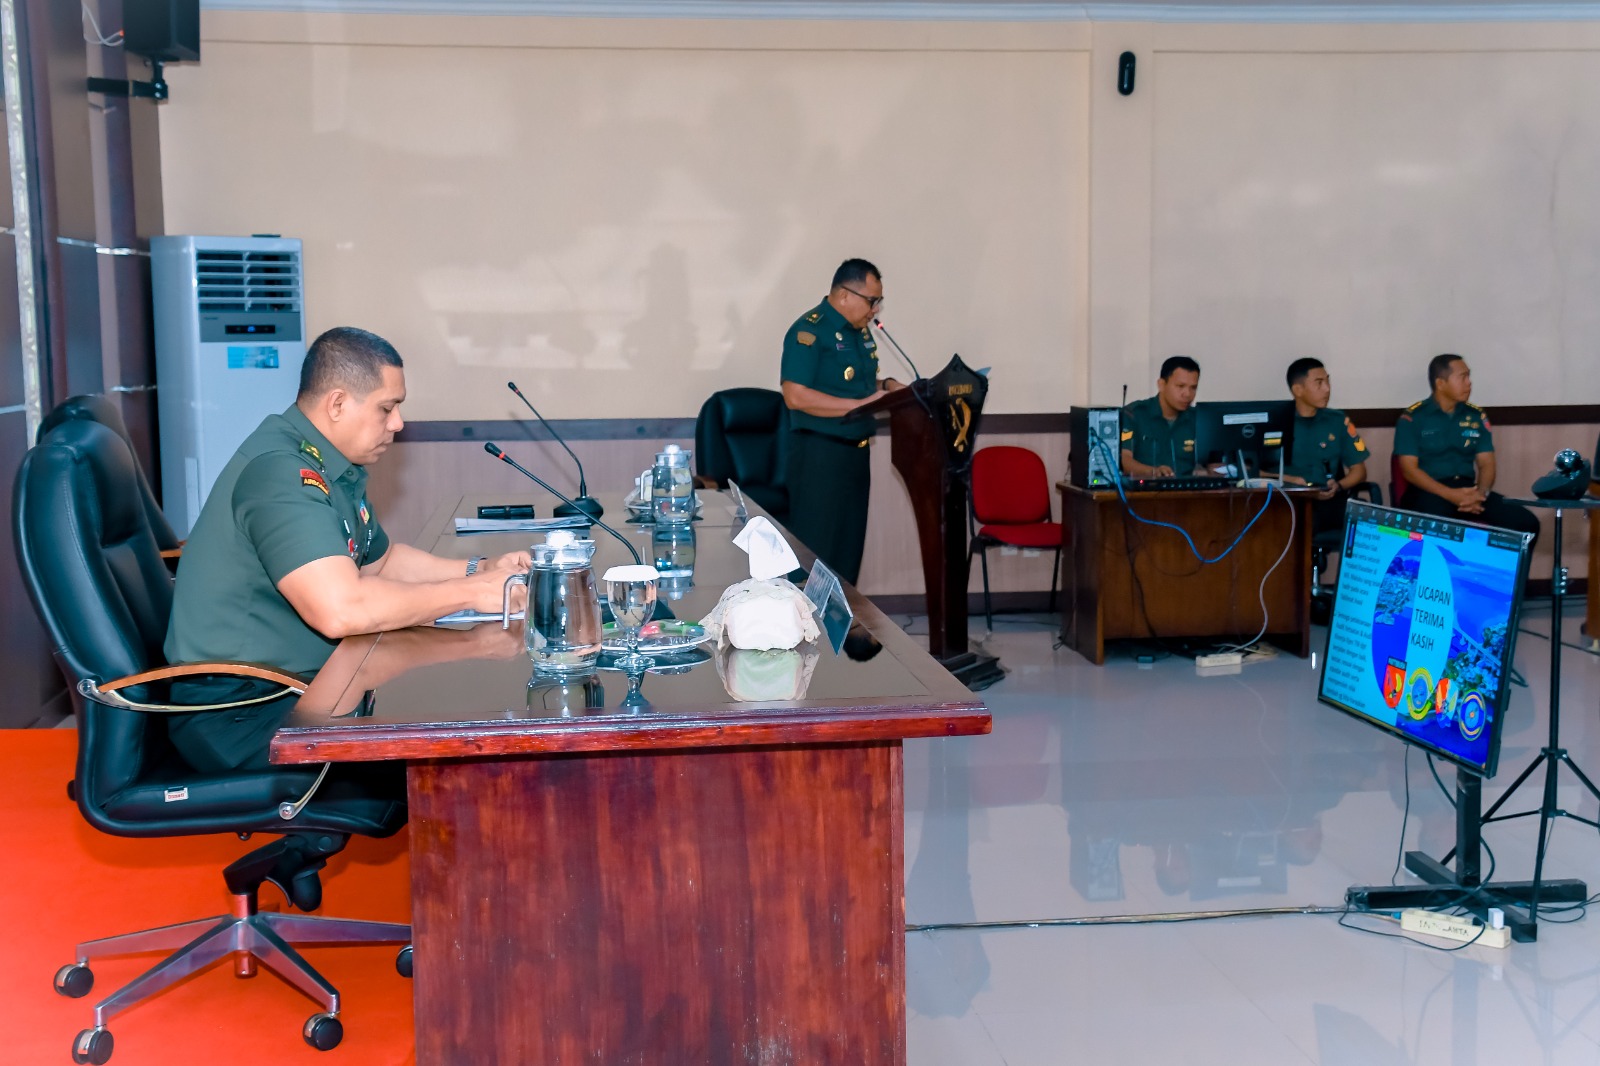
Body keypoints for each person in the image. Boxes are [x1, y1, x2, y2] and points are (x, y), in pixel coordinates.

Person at [164, 326, 529, 772]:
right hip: (243, 711)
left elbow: (382, 562)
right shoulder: (282, 474)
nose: (398, 423)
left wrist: (481, 570)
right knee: (455, 756)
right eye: (386, 408)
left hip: (306, 684)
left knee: (450, 719)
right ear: (337, 403)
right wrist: (472, 594)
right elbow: (341, 610)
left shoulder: (325, 463)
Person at [779, 258, 904, 585]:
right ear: (845, 295)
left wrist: (888, 386)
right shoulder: (810, 331)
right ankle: (808, 617)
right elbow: (795, 396)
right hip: (820, 456)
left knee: (848, 556)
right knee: (816, 555)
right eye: (872, 301)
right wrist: (859, 406)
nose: (875, 310)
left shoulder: (860, 334)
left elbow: (856, 386)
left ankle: (842, 617)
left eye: (878, 302)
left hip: (856, 455)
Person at [1394, 354, 1540, 542]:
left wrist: (1480, 494)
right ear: (1440, 383)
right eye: (1462, 377)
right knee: (1441, 527)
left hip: (1468, 491)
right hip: (1428, 492)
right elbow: (1409, 470)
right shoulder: (1412, 418)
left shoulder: (1475, 416)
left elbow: (1487, 463)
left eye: (1468, 376)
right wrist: (1450, 495)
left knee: (1526, 523)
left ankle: (1497, 563)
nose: (1469, 383)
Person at [1282, 357, 1369, 535]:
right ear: (1298, 390)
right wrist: (1292, 482)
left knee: (1366, 525)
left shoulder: (1338, 420)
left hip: (1329, 499)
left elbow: (1359, 471)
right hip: (1289, 500)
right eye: (1319, 383)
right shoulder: (1277, 422)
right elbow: (1256, 472)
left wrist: (1339, 485)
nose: (1327, 389)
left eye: (1328, 381)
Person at [1120, 356, 1201, 478]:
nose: (1187, 394)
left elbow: (1213, 463)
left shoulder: (1199, 419)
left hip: (1188, 488)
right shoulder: (1133, 414)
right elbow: (1124, 460)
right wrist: (1153, 472)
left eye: (1193, 388)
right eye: (1180, 386)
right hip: (1145, 487)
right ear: (1161, 384)